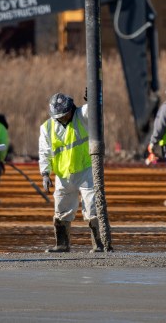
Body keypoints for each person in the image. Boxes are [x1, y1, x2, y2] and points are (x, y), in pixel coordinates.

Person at [39, 92, 102, 253]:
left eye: (64, 115)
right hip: (63, 174)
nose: (62, 118)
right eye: (58, 116)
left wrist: (94, 99)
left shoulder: (82, 116)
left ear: (71, 109)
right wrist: (45, 174)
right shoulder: (47, 127)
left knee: (93, 207)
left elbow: (95, 111)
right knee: (62, 208)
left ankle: (99, 244)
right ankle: (62, 244)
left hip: (86, 170)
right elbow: (44, 152)